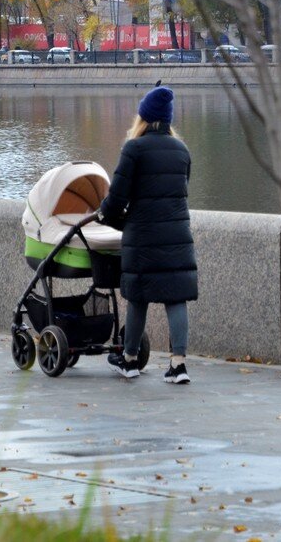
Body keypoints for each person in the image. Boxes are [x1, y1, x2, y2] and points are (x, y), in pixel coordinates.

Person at [97, 84, 198, 383]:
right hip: (177, 235)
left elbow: (117, 199)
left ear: (143, 117)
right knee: (176, 297)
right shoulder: (182, 151)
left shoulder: (134, 149)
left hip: (142, 236)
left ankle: (129, 360)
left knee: (138, 296)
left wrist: (106, 216)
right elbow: (181, 192)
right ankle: (178, 365)